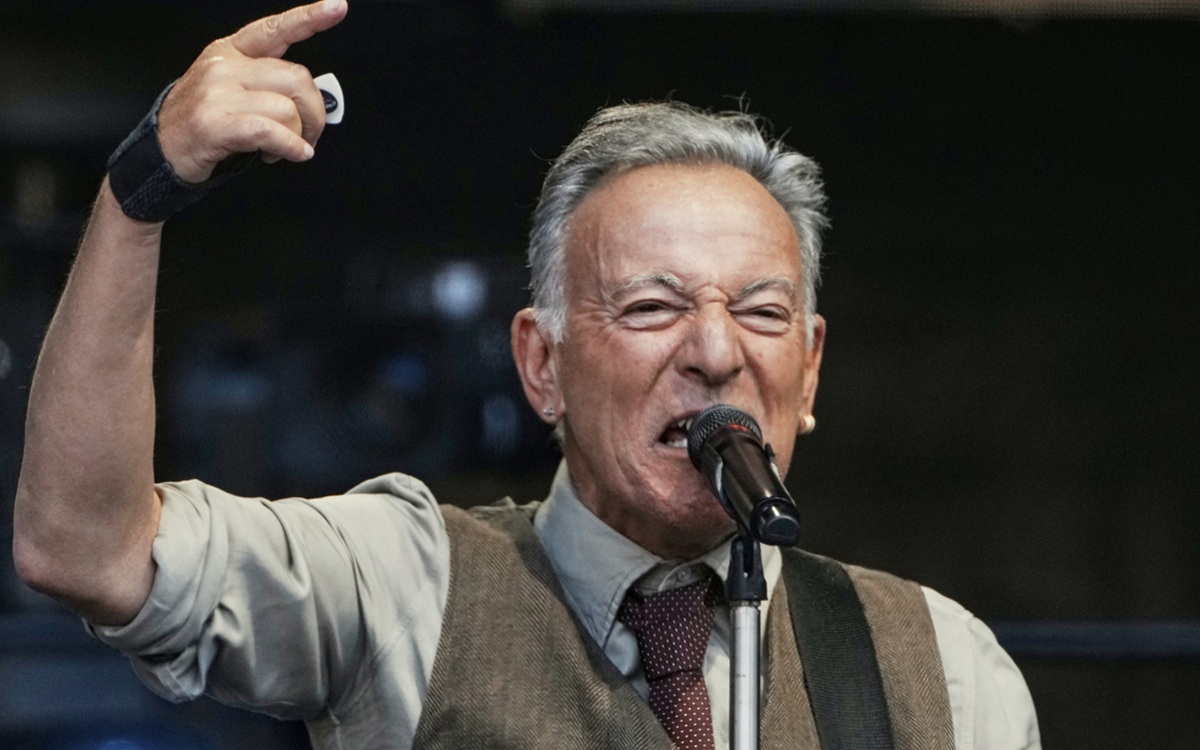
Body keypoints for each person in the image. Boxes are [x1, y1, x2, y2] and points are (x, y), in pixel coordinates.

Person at [13, 1, 1040, 748]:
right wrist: (140, 196)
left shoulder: (944, 669)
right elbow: (86, 550)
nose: (716, 350)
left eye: (761, 313)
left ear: (808, 372)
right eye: (652, 307)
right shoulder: (403, 584)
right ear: (542, 365)